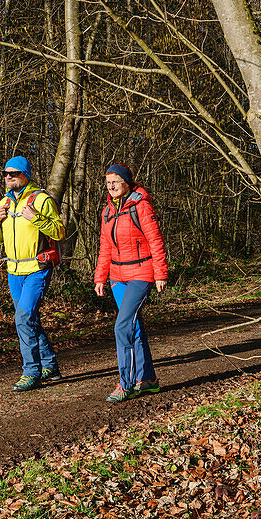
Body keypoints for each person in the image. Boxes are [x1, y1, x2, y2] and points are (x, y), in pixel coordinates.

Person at [0, 156, 66, 392]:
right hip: (13, 270)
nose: (8, 177)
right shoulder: (5, 202)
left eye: (14, 173)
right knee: (29, 319)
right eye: (5, 173)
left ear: (25, 175)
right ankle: (50, 366)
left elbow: (60, 232)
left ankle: (31, 372)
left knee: (23, 319)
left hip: (37, 269)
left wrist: (37, 218)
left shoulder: (41, 200)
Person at [94, 163, 168, 403]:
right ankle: (148, 380)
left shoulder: (141, 206)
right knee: (134, 327)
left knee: (122, 326)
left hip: (141, 273)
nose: (111, 186)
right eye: (108, 183)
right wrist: (100, 277)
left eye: (116, 181)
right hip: (117, 277)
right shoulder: (107, 211)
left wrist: (161, 274)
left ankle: (125, 383)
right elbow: (105, 247)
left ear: (127, 182)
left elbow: (156, 241)